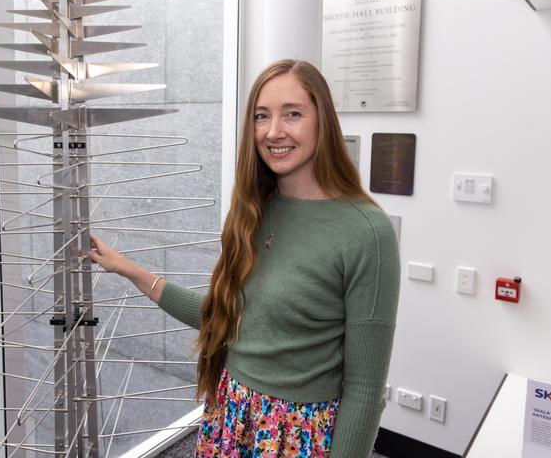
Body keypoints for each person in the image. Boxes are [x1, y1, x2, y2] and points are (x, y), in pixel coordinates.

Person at [88, 59, 400, 457]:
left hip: (295, 436)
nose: (274, 132)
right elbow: (229, 317)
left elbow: (366, 389)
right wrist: (128, 269)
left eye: (293, 114)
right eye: (261, 116)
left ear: (324, 121)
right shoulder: (255, 209)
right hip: (231, 416)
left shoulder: (367, 232)